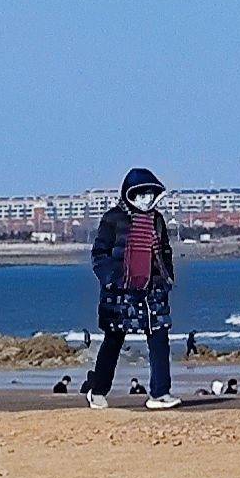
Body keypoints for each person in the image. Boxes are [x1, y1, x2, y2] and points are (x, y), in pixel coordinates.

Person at [82, 169, 176, 408]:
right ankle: (98, 390)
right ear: (130, 194)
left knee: (159, 337)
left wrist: (167, 279)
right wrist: (111, 279)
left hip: (152, 288)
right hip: (120, 291)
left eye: (150, 193)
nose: (146, 198)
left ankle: (160, 393)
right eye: (141, 193)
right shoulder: (113, 219)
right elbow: (99, 254)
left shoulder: (157, 219)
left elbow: (165, 252)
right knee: (114, 339)